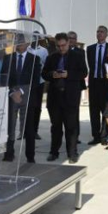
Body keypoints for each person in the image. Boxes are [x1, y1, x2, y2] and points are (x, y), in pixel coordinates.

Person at [42, 32, 87, 163]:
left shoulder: (77, 56)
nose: (61, 48)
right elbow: (44, 73)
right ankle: (54, 152)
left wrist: (69, 74)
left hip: (71, 97)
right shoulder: (52, 57)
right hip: (55, 97)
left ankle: (72, 153)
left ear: (68, 43)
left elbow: (84, 72)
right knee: (55, 127)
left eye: (63, 45)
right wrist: (52, 74)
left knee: (71, 127)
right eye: (58, 46)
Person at [5, 34, 42, 163]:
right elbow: (4, 78)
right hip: (11, 97)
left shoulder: (34, 59)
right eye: (17, 41)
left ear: (27, 44)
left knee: (28, 128)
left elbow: (35, 80)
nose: (19, 43)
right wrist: (12, 92)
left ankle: (30, 156)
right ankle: (9, 153)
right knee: (10, 126)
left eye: (22, 41)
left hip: (28, 97)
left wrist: (20, 91)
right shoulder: (8, 58)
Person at [86, 26, 108, 146]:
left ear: (106, 34)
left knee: (106, 110)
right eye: (98, 32)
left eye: (102, 32)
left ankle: (104, 136)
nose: (99, 34)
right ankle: (95, 136)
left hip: (105, 83)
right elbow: (91, 65)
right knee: (93, 111)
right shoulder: (90, 48)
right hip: (94, 82)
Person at [29, 34, 49, 140]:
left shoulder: (44, 51)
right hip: (27, 82)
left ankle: (35, 131)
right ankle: (24, 131)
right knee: (26, 107)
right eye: (33, 38)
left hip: (39, 82)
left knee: (37, 107)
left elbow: (47, 65)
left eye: (36, 38)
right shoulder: (26, 49)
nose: (34, 40)